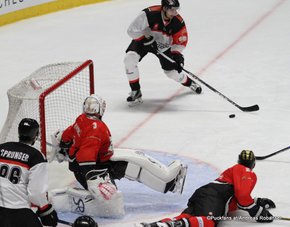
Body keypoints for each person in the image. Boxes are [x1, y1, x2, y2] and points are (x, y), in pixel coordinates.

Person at [53, 94, 187, 201]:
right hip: (94, 170)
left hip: (91, 166)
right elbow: (86, 156)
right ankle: (168, 184)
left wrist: (63, 144)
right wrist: (93, 179)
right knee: (126, 176)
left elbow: (69, 134)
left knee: (135, 158)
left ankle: (167, 182)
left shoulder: (82, 119)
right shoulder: (96, 128)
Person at [138, 150, 276, 227]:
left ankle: (155, 225)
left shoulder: (234, 171)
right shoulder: (246, 171)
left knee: (189, 218)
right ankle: (168, 226)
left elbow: (236, 200)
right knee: (208, 222)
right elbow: (242, 196)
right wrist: (257, 211)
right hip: (215, 196)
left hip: (206, 193)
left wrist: (257, 201)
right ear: (253, 164)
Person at [124, 0, 202, 106]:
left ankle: (189, 82)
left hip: (163, 46)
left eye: (176, 10)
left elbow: (180, 41)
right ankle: (136, 91)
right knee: (129, 59)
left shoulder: (178, 22)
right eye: (172, 10)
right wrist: (144, 37)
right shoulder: (149, 14)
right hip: (143, 41)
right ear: (164, 8)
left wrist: (177, 55)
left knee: (172, 73)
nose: (175, 13)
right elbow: (131, 30)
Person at [0, 118, 58, 227]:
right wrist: (45, 210)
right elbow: (36, 192)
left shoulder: (2, 148)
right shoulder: (36, 156)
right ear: (35, 135)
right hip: (17, 211)